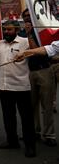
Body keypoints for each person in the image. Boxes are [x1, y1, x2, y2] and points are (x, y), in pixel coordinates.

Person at [0, 20, 36, 158]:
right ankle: (12, 141)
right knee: (8, 116)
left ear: (17, 30)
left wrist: (30, 34)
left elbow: (36, 52)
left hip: (21, 87)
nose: (6, 32)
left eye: (9, 30)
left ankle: (30, 146)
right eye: (5, 30)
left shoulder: (24, 42)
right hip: (4, 86)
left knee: (26, 118)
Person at [19, 9, 56, 147]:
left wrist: (30, 35)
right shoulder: (21, 33)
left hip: (44, 70)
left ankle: (49, 134)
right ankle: (35, 131)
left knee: (47, 105)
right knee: (31, 105)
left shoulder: (42, 31)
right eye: (25, 17)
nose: (28, 18)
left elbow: (39, 53)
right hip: (29, 72)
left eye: (30, 16)